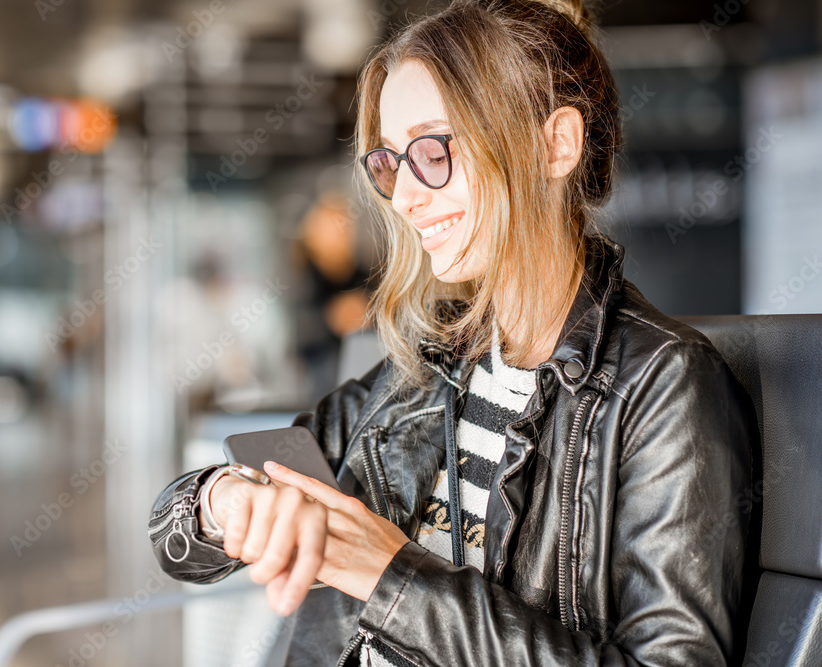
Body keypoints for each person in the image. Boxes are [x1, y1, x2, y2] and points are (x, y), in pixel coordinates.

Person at [148, 0, 754, 664]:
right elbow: (175, 536)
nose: (405, 198)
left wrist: (392, 577)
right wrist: (226, 499)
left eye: (433, 151)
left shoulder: (665, 386)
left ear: (555, 145)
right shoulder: (430, 367)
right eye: (391, 163)